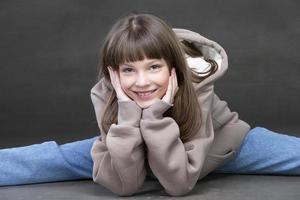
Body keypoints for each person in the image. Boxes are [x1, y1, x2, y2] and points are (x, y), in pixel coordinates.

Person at [0, 13, 299, 197]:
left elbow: (179, 183)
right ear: (114, 73)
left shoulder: (194, 86)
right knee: (55, 159)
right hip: (133, 149)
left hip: (214, 147)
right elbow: (124, 185)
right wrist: (128, 115)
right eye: (129, 70)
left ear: (172, 67)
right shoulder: (106, 92)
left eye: (154, 67)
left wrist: (155, 117)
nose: (142, 82)